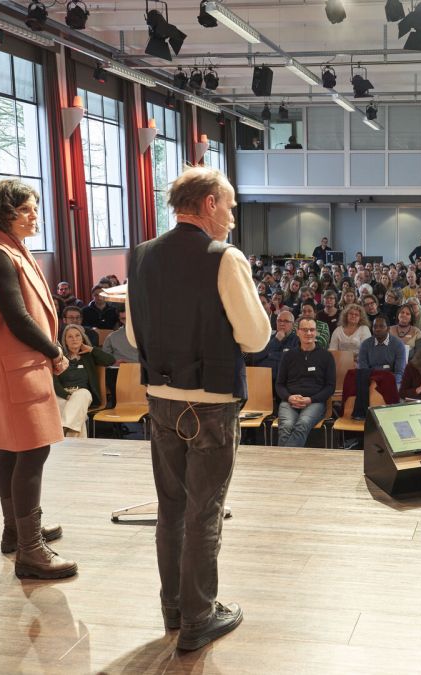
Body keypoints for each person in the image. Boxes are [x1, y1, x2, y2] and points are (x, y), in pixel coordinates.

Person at [126, 166, 270, 650]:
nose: (231, 216)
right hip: (211, 404)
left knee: (171, 510)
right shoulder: (224, 257)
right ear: (209, 203)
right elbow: (255, 337)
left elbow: (131, 337)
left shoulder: (141, 255)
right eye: (228, 206)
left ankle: (173, 607)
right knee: (205, 513)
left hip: (161, 401)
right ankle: (199, 617)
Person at [0, 179, 76, 579]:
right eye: (27, 210)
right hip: (14, 365)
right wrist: (54, 351)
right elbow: (17, 317)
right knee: (32, 451)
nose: (35, 216)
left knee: (15, 450)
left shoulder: (8, 249)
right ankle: (31, 551)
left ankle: (16, 530)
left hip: (14, 364)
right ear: (5, 214)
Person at [275, 317, 336, 447]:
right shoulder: (288, 355)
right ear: (297, 332)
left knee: (302, 424)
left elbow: (330, 387)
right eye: (304, 330)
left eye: (312, 330)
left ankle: (282, 463)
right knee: (286, 426)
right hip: (290, 401)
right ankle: (289, 464)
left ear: (316, 333)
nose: (308, 333)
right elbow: (279, 384)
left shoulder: (326, 356)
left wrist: (310, 399)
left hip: (315, 402)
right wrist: (289, 397)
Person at [53, 324, 115, 437]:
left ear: (83, 338)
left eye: (77, 336)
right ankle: (73, 442)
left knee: (82, 395)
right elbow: (54, 381)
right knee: (78, 416)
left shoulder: (89, 356)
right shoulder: (60, 358)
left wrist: (91, 349)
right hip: (63, 395)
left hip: (82, 393)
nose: (74, 339)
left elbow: (110, 360)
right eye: (70, 337)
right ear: (65, 341)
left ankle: (62, 431)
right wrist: (66, 395)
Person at [247, 310, 299, 396]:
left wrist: (269, 355)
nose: (282, 323)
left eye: (286, 321)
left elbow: (292, 361)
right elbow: (255, 358)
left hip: (285, 382)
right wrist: (276, 341)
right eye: (279, 320)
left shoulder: (297, 341)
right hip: (262, 380)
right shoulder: (267, 339)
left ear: (293, 325)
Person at [358, 316, 407, 390]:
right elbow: (364, 370)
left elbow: (399, 372)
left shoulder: (398, 344)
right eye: (375, 326)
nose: (377, 329)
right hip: (371, 381)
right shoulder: (365, 344)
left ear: (388, 329)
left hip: (391, 381)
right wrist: (372, 383)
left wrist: (391, 385)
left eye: (381, 326)